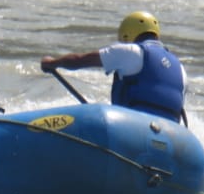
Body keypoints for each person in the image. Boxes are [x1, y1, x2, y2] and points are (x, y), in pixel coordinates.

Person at [40, 11, 187, 123]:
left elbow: (79, 60)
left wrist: (53, 63)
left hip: (136, 124)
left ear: (127, 34)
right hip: (170, 132)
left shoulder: (131, 51)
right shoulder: (180, 68)